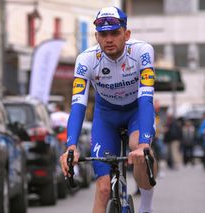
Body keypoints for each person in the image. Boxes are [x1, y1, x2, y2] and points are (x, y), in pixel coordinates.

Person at [59, 6, 157, 213]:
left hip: (136, 112)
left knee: (138, 148)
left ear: (127, 34)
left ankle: (146, 207)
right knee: (103, 189)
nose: (109, 39)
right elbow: (78, 105)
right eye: (103, 34)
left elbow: (146, 99)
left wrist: (143, 145)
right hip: (106, 117)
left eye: (115, 33)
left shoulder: (142, 51)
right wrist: (71, 146)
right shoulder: (86, 60)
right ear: (97, 36)